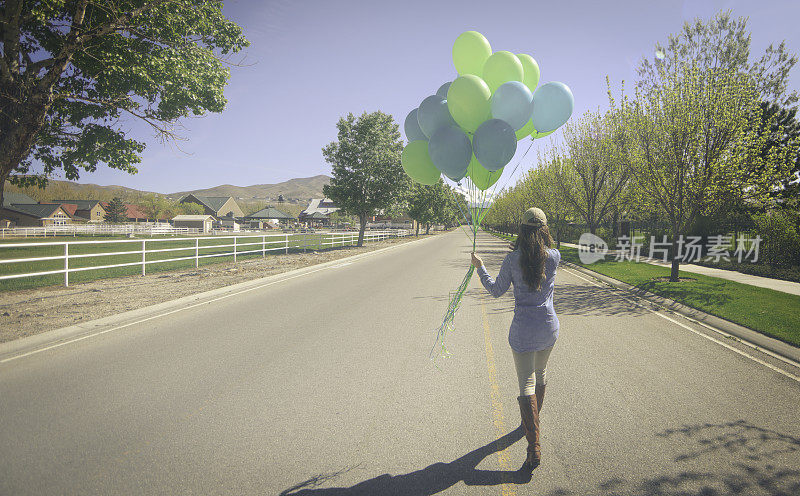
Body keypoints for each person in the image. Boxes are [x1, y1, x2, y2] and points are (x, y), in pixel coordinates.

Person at [470, 207, 561, 472]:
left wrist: (480, 267)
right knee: (541, 373)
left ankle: (534, 446)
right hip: (548, 328)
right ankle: (531, 424)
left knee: (526, 384)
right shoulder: (554, 257)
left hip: (523, 330)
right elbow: (542, 256)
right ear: (545, 229)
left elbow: (496, 290)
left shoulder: (512, 260)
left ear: (521, 229)